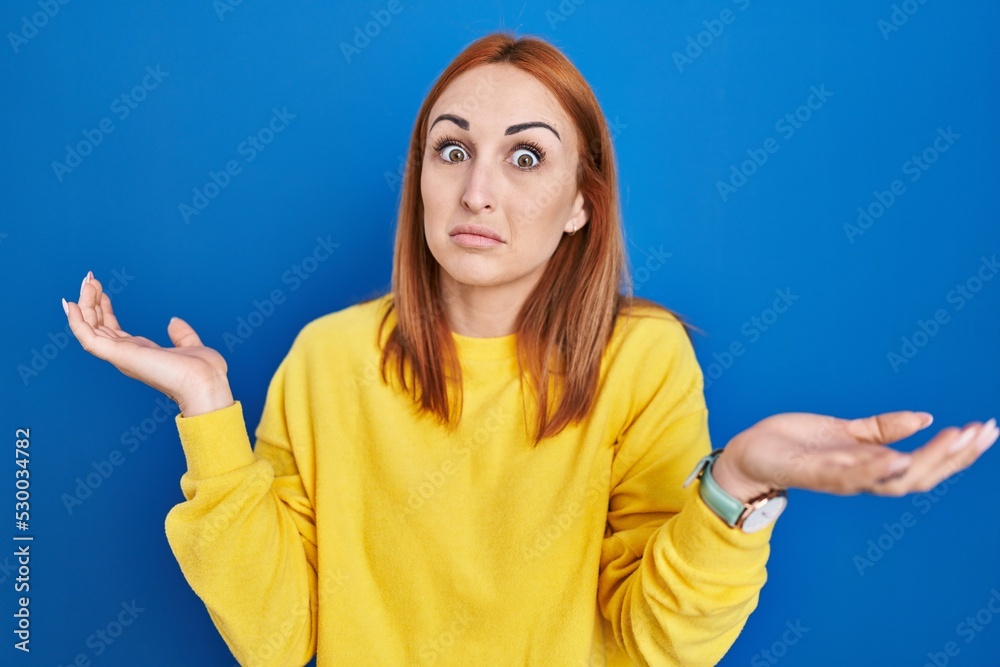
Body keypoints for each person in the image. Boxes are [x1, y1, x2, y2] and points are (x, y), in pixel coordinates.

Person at [62, 31, 996, 667]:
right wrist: (209, 413)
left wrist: (737, 483)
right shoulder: (326, 359)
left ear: (583, 203)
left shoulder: (643, 360)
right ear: (420, 178)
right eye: (451, 148)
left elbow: (653, 644)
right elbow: (277, 636)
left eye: (525, 157)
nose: (477, 191)